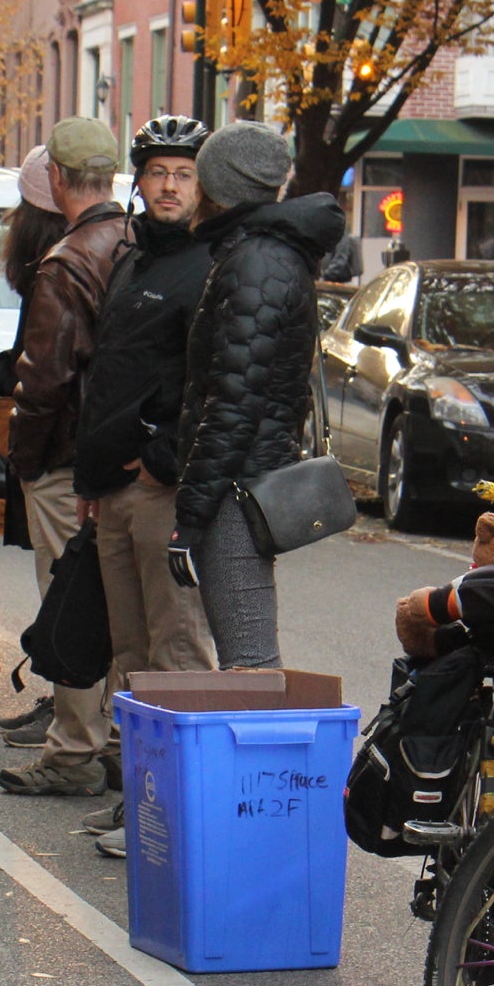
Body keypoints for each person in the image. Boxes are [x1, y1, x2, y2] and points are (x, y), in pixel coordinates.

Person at [71, 115, 219, 853]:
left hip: (165, 490)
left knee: (178, 652)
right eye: (158, 171)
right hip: (113, 488)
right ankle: (140, 802)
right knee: (129, 658)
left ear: (203, 186)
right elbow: (108, 370)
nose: (167, 185)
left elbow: (216, 385)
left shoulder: (211, 265)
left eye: (183, 174)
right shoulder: (132, 261)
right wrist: (93, 472)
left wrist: (165, 455)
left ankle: (185, 817)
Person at [166, 123, 345, 669]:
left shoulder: (257, 262)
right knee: (247, 661)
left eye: (197, 178)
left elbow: (234, 401)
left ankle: (267, 760)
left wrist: (192, 514)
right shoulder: (258, 253)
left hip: (237, 489)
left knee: (249, 663)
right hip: (242, 480)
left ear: (220, 186)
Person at [2, 117, 130, 797]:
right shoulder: (134, 243)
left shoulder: (67, 262)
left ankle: (70, 751)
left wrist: (24, 458)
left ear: (55, 178)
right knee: (116, 605)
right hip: (119, 455)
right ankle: (109, 739)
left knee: (71, 600)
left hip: (65, 458)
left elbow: (44, 377)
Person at [0, 147, 72, 751]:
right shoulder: (89, 254)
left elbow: (38, 365)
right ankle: (69, 705)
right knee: (68, 586)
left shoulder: (55, 268)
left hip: (53, 447)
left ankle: (73, 713)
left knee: (63, 584)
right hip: (63, 444)